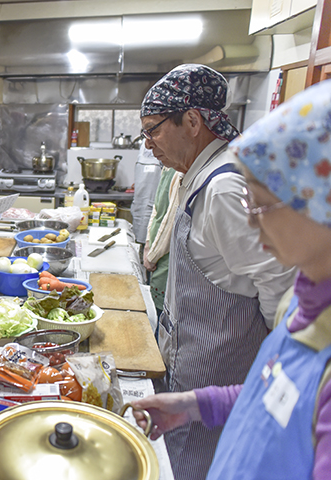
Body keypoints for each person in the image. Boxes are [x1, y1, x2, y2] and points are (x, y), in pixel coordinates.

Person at [133, 79, 331, 480]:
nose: (253, 223)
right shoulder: (304, 305)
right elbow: (275, 389)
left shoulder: (222, 189)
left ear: (317, 202)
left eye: (260, 204)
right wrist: (194, 404)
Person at [143, 166, 183, 318]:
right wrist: (148, 244)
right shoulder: (166, 168)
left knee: (163, 315)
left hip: (165, 255)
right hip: (155, 251)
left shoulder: (179, 173)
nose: (149, 145)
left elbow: (170, 221)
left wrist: (152, 255)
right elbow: (157, 209)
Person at [130, 143, 162, 247]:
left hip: (154, 205)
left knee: (150, 240)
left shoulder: (164, 147)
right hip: (139, 203)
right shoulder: (144, 146)